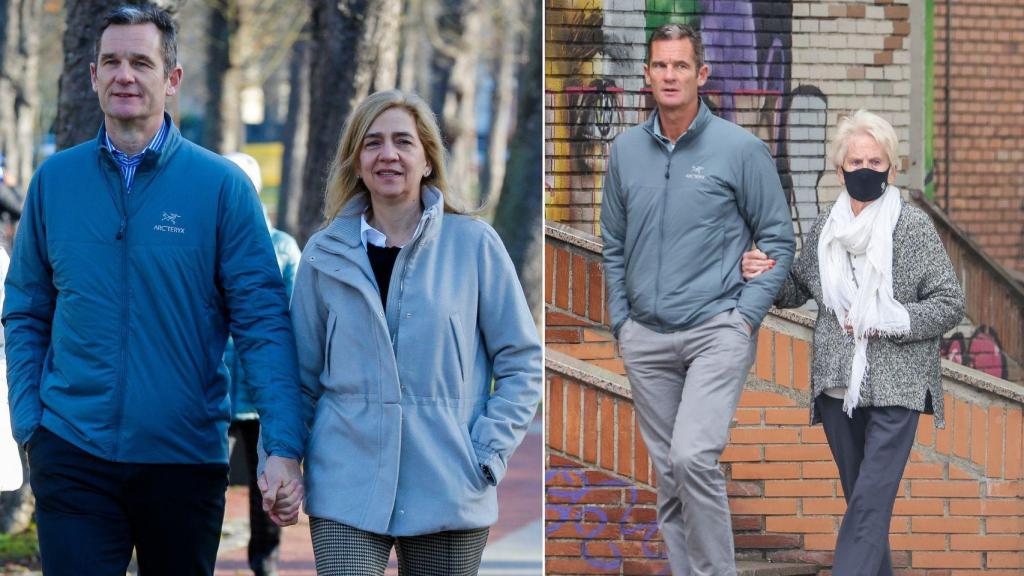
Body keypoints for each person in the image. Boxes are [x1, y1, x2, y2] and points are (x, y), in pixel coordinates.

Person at [2, 4, 305, 575]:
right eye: (111, 62)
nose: (124, 75)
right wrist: (30, 421)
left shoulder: (220, 189)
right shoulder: (53, 183)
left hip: (183, 457)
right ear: (92, 76)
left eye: (141, 62)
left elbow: (264, 325)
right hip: (72, 452)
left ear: (172, 79)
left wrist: (282, 444)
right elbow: (26, 311)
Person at [278, 89, 541, 576]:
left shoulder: (474, 245)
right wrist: (282, 457)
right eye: (373, 143)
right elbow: (299, 377)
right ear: (356, 162)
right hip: (345, 482)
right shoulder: (324, 254)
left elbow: (523, 361)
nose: (388, 154)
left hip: (449, 481)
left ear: (426, 160)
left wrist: (486, 453)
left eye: (403, 141)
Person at [599, 23, 795, 576]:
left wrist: (744, 319)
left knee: (692, 457)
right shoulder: (625, 152)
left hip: (716, 330)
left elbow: (778, 239)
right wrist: (622, 322)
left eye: (680, 66)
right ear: (646, 75)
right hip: (646, 337)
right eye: (660, 66)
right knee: (668, 475)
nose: (669, 75)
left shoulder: (740, 149)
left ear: (701, 74)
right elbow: (613, 244)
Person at [741, 110, 964, 575]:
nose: (865, 170)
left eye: (876, 161)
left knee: (867, 506)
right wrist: (765, 270)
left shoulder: (912, 227)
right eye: (856, 160)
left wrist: (892, 318)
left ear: (892, 168)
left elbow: (949, 303)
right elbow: (797, 288)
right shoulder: (827, 228)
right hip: (837, 388)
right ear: (840, 168)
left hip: (898, 388)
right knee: (866, 509)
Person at [222, 152, 301, 576]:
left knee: (266, 488)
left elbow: (294, 320)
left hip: (262, 395)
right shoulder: (205, 241)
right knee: (206, 486)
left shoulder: (284, 248)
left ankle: (265, 566)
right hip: (213, 391)